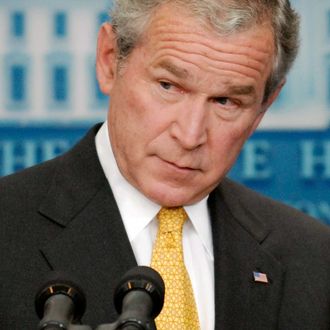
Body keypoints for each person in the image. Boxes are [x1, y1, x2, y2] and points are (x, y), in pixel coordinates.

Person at [0, 0, 329, 329]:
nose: (189, 135)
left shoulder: (315, 260)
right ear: (110, 60)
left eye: (226, 101)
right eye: (168, 86)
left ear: (263, 108)